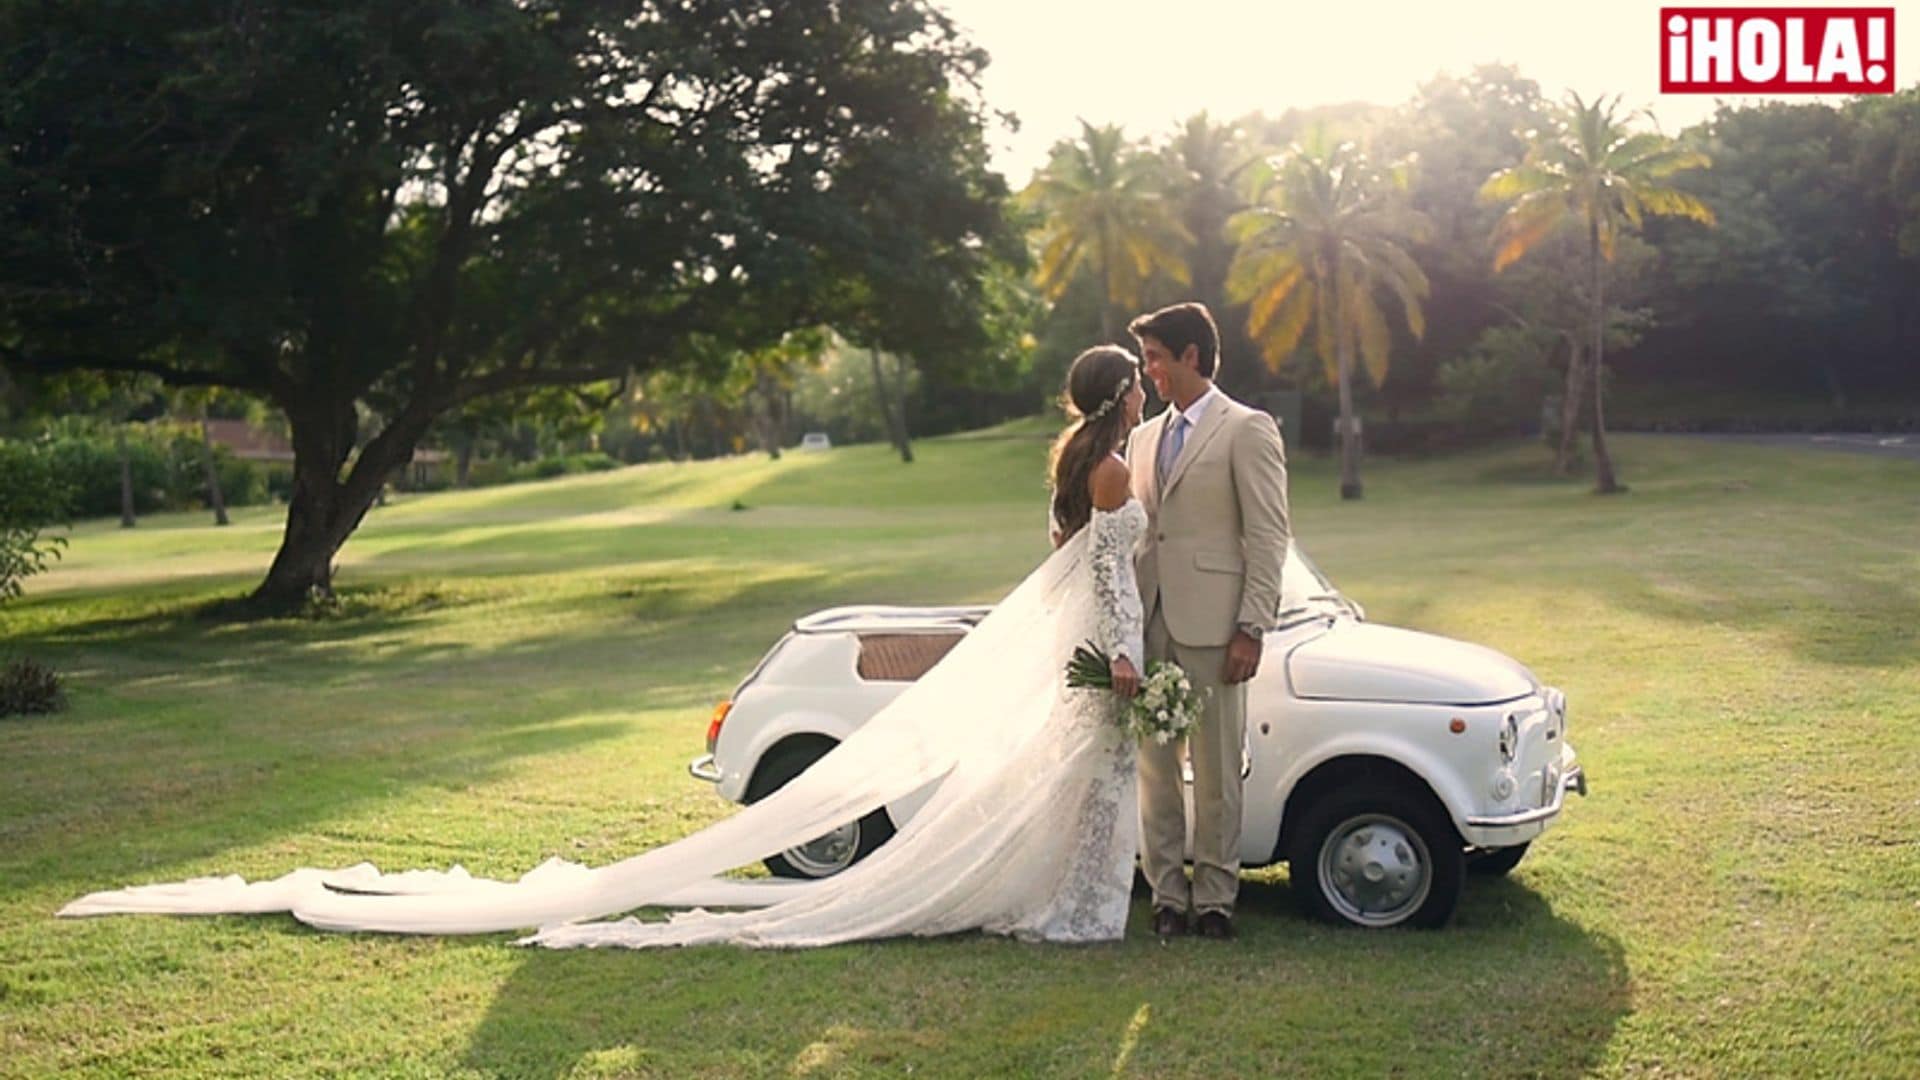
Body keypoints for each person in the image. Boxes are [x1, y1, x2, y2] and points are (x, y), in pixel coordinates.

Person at [62, 347, 1159, 949]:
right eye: (1144, 381)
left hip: (1081, 651)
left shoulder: (1079, 463)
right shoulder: (1110, 472)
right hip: (1098, 654)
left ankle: (1072, 901)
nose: (1153, 390)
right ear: (1125, 395)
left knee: (1078, 784)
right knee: (1090, 781)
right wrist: (1122, 659)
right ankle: (1072, 910)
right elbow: (1109, 576)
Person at [1124, 302, 1290, 942]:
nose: (1152, 373)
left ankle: (1217, 898)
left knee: (1219, 770)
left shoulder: (1246, 429)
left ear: (1192, 356)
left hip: (1217, 627)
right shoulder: (1142, 438)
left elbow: (1269, 535)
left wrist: (1252, 625)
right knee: (1154, 771)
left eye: (1158, 359)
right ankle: (1167, 895)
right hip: (1151, 623)